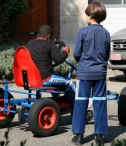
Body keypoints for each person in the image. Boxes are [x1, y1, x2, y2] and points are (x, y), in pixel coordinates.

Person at [71, 2, 110, 145]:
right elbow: (106, 55)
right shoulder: (106, 33)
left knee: (81, 103)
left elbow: (76, 54)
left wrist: (82, 62)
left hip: (84, 73)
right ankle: (100, 136)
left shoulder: (83, 32)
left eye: (86, 14)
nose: (85, 16)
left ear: (91, 16)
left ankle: (78, 136)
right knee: (100, 103)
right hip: (100, 73)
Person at [26, 24, 75, 106]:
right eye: (51, 37)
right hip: (46, 78)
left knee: (56, 79)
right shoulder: (49, 43)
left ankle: (56, 102)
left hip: (33, 78)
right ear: (49, 36)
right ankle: (77, 108)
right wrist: (65, 51)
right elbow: (58, 59)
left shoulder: (30, 43)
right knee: (68, 82)